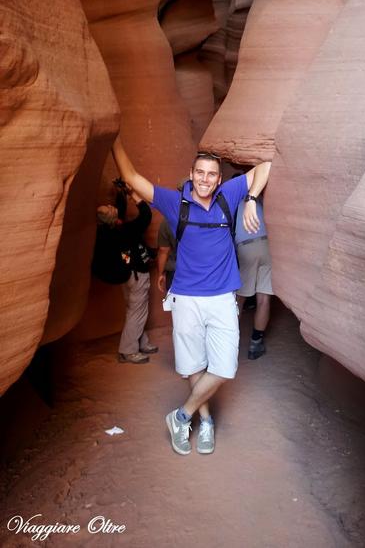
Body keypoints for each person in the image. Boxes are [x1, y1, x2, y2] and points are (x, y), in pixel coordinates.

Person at [112, 138, 271, 455]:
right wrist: (114, 136)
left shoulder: (229, 195)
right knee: (195, 364)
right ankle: (206, 421)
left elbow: (265, 167)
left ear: (219, 179)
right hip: (185, 298)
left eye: (212, 174)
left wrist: (251, 199)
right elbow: (131, 177)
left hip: (223, 297)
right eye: (200, 173)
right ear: (191, 174)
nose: (205, 179)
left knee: (225, 369)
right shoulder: (175, 202)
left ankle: (181, 415)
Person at [92, 184, 159, 364]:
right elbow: (146, 215)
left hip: (125, 275)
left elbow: (119, 212)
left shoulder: (106, 231)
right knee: (136, 313)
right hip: (136, 275)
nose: (112, 207)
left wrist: (120, 193)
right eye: (110, 209)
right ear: (112, 218)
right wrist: (133, 194)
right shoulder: (126, 231)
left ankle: (140, 342)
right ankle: (128, 351)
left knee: (136, 311)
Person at [235, 196, 273, 359]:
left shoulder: (233, 201)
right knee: (264, 299)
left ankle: (229, 342)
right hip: (267, 245)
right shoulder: (261, 200)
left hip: (245, 247)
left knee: (239, 298)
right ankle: (255, 344)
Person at [157, 218, 176, 294]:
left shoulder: (167, 221)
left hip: (175, 271)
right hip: (203, 271)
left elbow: (163, 251)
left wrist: (161, 274)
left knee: (176, 304)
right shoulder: (203, 218)